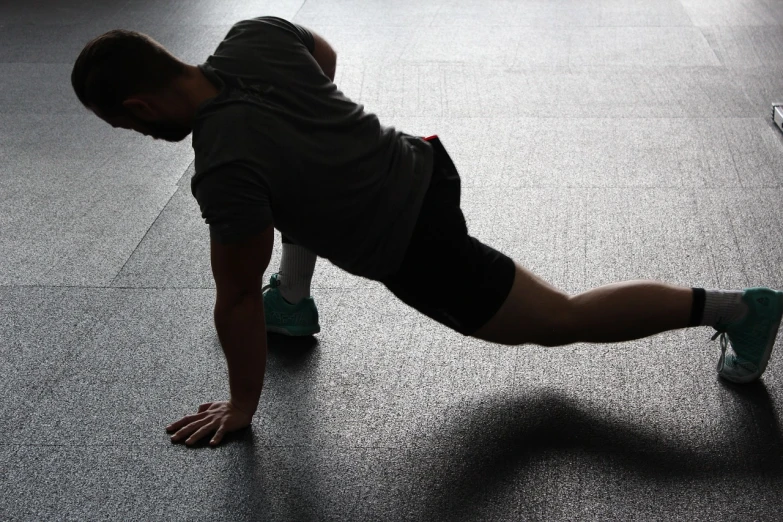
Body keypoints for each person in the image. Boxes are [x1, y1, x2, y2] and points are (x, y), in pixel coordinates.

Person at [71, 16, 783, 448]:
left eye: (126, 125)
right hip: (422, 160)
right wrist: (316, 134)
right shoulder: (253, 37)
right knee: (291, 187)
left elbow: (230, 299)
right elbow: (323, 60)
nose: (137, 134)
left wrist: (243, 405)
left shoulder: (224, 168)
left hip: (415, 245)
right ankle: (291, 297)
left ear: (137, 105)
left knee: (558, 320)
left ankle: (737, 309)